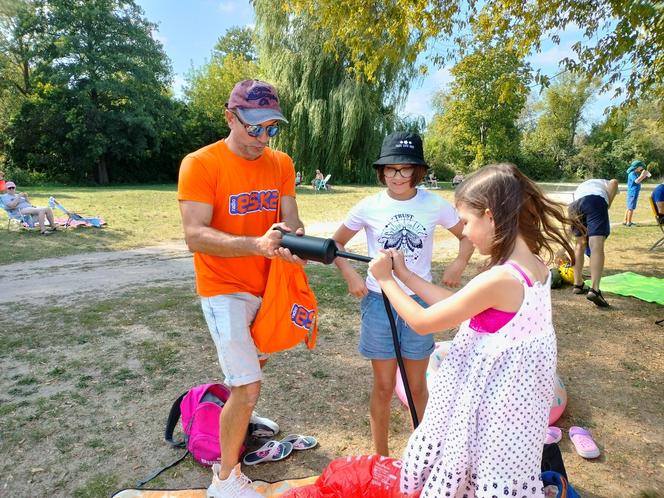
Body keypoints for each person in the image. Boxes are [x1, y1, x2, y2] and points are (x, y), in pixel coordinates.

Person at [367, 162, 578, 498]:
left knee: (474, 476)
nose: (463, 232)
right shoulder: (534, 266)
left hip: (490, 414)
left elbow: (423, 321)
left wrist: (384, 280)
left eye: (466, 221)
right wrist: (406, 276)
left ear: (491, 216)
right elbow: (459, 306)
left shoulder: (501, 278)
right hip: (512, 412)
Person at [177, 79, 305, 498]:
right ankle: (225, 481)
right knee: (248, 387)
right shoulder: (200, 163)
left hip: (269, 288)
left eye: (272, 128)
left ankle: (238, 417)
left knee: (249, 378)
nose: (264, 138)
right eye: (255, 127)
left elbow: (292, 221)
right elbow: (195, 236)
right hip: (223, 288)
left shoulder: (281, 163)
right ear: (231, 117)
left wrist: (294, 240)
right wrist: (255, 244)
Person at [331, 131, 474, 456]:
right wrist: (350, 273)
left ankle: (423, 456)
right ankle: (380, 456)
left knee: (417, 386)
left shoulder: (434, 204)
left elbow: (467, 236)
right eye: (390, 169)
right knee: (383, 386)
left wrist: (458, 263)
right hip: (378, 302)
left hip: (419, 304)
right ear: (381, 171)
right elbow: (335, 244)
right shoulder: (369, 206)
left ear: (417, 171)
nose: (397, 176)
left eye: (405, 169)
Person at [569, 178, 619, 307]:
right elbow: (614, 182)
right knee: (596, 245)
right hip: (594, 201)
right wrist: (606, 205)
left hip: (575, 205)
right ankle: (595, 290)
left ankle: (578, 284)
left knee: (579, 245)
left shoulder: (585, 185)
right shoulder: (605, 182)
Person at [623, 160, 650, 226]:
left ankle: (625, 221)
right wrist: (643, 175)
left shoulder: (634, 173)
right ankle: (629, 223)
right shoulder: (632, 174)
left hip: (632, 192)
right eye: (641, 167)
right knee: (631, 208)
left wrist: (644, 175)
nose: (642, 168)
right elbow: (637, 181)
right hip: (633, 192)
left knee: (629, 207)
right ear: (637, 167)